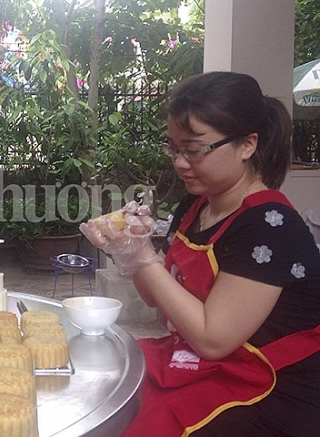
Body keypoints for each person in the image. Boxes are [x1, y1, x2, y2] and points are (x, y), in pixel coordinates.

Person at [80, 71, 320, 437]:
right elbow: (156, 298)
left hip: (266, 385)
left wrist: (145, 256)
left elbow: (213, 338)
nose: (179, 162)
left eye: (193, 149)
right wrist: (128, 251)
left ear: (247, 145)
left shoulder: (270, 226)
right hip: (199, 358)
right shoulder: (195, 206)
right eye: (174, 148)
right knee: (102, 377)